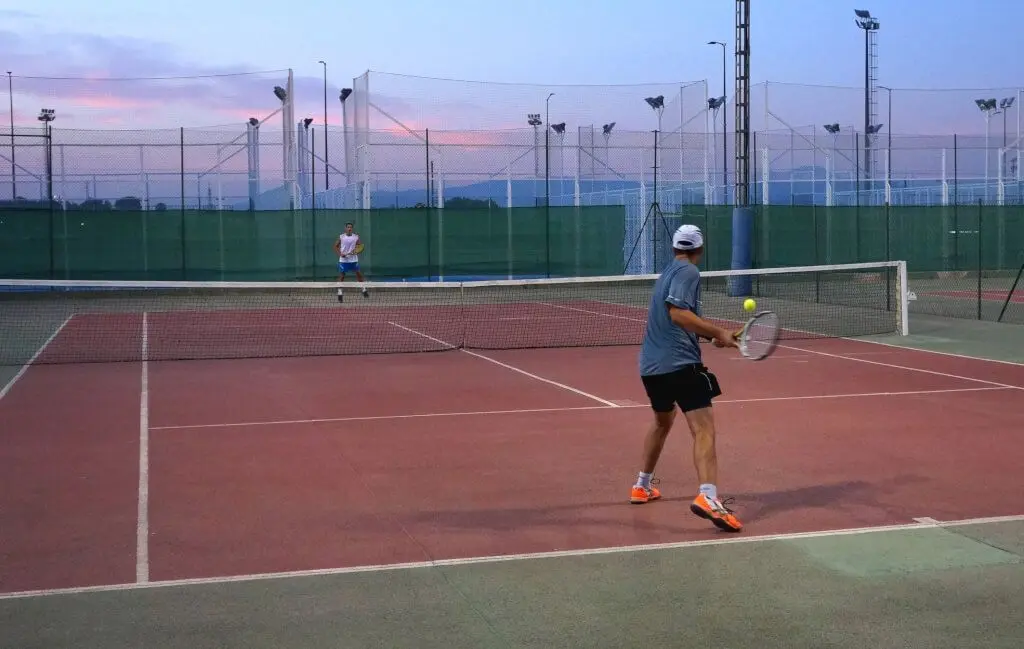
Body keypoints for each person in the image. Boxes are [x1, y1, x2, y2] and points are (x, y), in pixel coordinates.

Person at [630, 224, 743, 533]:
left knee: (662, 422)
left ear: (674, 248)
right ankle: (708, 497)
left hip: (651, 368)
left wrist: (711, 337)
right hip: (679, 366)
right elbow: (677, 314)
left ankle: (642, 485)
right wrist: (719, 331)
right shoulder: (689, 273)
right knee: (704, 429)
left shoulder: (666, 273)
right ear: (700, 250)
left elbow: (679, 322)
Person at [333, 222, 369, 302]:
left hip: (353, 260)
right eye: (348, 227)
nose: (349, 229)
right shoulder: (341, 237)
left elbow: (360, 246)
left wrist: (356, 251)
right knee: (342, 275)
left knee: (358, 274)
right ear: (345, 228)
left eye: (350, 227)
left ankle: (363, 289)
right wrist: (340, 254)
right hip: (343, 260)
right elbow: (335, 246)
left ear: (352, 229)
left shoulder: (356, 237)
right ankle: (340, 292)